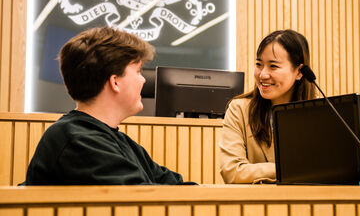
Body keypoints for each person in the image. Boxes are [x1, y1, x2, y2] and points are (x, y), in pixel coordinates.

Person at [22, 27, 189, 185]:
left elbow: (172, 184)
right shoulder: (78, 141)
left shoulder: (118, 140)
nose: (143, 80)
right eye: (138, 71)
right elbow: (140, 201)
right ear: (115, 81)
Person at [219, 29, 316, 184]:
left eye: (273, 66)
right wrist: (290, 168)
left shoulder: (318, 113)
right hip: (254, 206)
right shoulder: (239, 110)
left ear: (299, 72)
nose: (263, 74)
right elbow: (232, 171)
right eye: (259, 64)